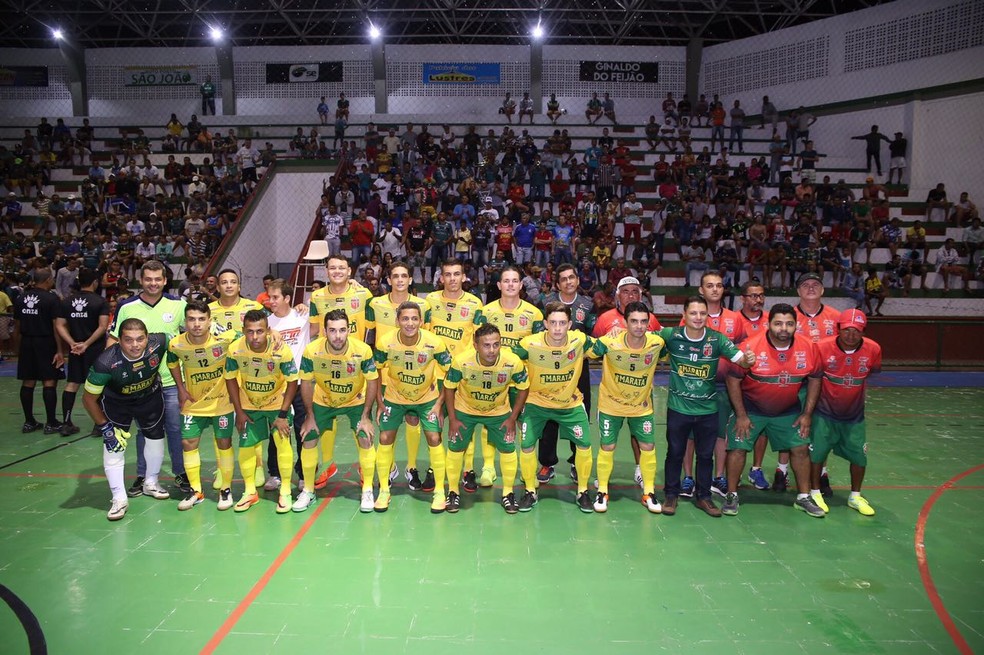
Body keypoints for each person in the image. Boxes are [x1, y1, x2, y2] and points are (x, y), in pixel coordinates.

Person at [723, 303, 825, 518]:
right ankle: (731, 494)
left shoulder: (808, 347)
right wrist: (741, 415)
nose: (784, 328)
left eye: (789, 324)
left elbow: (815, 379)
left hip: (788, 410)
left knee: (800, 448)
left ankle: (803, 497)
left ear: (796, 326)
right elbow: (733, 380)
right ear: (768, 324)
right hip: (751, 408)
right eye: (778, 323)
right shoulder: (750, 346)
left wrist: (807, 414)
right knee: (738, 449)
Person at [658, 297, 753, 517]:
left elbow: (742, 361)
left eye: (702, 313)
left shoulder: (717, 339)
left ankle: (704, 497)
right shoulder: (671, 335)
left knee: (705, 455)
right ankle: (671, 495)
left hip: (707, 411)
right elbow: (642, 333)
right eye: (693, 313)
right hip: (678, 409)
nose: (698, 318)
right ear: (685, 314)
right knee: (674, 453)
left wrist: (749, 359)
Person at [513, 302, 604, 512]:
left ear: (570, 324)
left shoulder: (579, 340)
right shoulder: (530, 344)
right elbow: (508, 359)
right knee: (526, 445)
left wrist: (618, 332)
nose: (557, 328)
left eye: (562, 323)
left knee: (584, 444)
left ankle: (582, 491)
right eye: (552, 323)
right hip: (537, 403)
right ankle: (530, 490)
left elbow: (603, 347)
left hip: (569, 404)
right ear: (545, 323)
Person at [108, 260, 189, 496]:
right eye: (148, 279)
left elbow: (195, 332)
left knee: (175, 429)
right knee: (145, 430)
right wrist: (113, 375)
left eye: (158, 279)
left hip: (172, 380)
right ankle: (143, 475)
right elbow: (113, 340)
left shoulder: (178, 305)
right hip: (140, 383)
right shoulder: (127, 306)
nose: (153, 284)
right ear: (141, 281)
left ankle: (180, 473)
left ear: (165, 280)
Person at [83, 318, 171, 520]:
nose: (135, 345)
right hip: (117, 404)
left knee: (155, 437)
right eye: (128, 340)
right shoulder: (104, 363)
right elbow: (88, 400)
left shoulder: (160, 342)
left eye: (140, 339)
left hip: (150, 398)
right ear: (118, 341)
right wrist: (104, 427)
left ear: (148, 338)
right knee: (114, 447)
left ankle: (151, 483)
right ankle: (119, 498)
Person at [296, 309, 379, 513]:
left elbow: (372, 381)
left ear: (349, 330)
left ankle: (367, 489)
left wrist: (366, 416)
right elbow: (305, 383)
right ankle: (307, 490)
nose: (338, 336)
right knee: (309, 437)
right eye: (332, 330)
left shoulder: (363, 350)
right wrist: (309, 416)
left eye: (342, 330)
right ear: (324, 331)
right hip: (323, 399)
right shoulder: (312, 351)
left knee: (365, 436)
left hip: (355, 400)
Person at [372, 302, 452, 513]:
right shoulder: (384, 343)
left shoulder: (434, 342)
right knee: (384, 437)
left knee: (434, 438)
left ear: (421, 322)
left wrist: (439, 403)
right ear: (397, 321)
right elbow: (374, 372)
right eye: (405, 319)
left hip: (427, 399)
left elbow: (451, 373)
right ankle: (384, 491)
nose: (410, 323)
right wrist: (380, 402)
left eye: (414, 318)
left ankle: (439, 493)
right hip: (394, 397)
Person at [587, 302, 666, 513]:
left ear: (648, 323)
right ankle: (602, 490)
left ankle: (649, 492)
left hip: (641, 407)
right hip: (610, 406)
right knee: (607, 447)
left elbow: (674, 351)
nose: (639, 326)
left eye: (643, 321)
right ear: (625, 322)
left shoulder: (657, 343)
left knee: (648, 447)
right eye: (634, 321)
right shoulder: (610, 341)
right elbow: (585, 351)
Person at [443, 324, 529, 513]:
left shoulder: (512, 362)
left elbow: (523, 388)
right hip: (465, 409)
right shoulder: (461, 361)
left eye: (496, 345)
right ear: (475, 345)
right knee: (456, 447)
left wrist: (512, 418)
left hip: (498, 411)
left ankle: (508, 493)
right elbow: (449, 387)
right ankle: (453, 491)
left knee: (507, 449)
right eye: (486, 345)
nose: (492, 350)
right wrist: (453, 419)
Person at [678, 272, 747, 498]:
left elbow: (740, 352)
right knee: (689, 435)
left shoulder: (735, 319)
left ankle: (718, 477)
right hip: (694, 384)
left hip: (722, 386)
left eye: (718, 285)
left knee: (720, 434)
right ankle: (688, 477)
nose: (715, 289)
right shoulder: (691, 316)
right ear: (701, 290)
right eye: (710, 285)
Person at [224, 310, 298, 513]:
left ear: (268, 330)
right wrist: (238, 411)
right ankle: (250, 492)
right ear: (243, 331)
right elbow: (230, 378)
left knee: (283, 444)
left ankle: (285, 491)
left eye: (259, 331)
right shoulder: (235, 349)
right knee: (246, 446)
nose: (255, 337)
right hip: (249, 405)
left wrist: (283, 415)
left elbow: (293, 382)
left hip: (276, 404)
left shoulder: (281, 350)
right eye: (250, 332)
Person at [365, 262, 432, 489]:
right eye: (395, 276)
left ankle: (411, 467)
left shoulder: (424, 305)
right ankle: (390, 467)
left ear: (411, 280)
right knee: (387, 425)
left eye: (404, 276)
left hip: (415, 375)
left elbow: (428, 339)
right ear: (389, 280)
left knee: (413, 419)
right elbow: (367, 334)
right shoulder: (375, 304)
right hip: (386, 375)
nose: (400, 280)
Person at [810, 309, 882, 516]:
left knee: (860, 457)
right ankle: (815, 493)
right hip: (824, 413)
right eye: (847, 330)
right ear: (838, 329)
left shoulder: (873, 349)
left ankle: (855, 495)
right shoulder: (822, 347)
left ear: (863, 331)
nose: (851, 335)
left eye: (857, 331)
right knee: (817, 454)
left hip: (854, 415)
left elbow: (873, 372)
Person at [166, 301, 237, 511]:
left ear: (209, 321)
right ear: (185, 321)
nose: (196, 324)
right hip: (193, 403)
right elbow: (172, 363)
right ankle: (196, 491)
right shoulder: (176, 344)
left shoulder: (225, 337)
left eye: (201, 319)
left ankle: (225, 489)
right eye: (191, 319)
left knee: (223, 442)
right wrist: (180, 387)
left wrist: (275, 335)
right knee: (188, 442)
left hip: (221, 401)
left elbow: (248, 339)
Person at [426, 259, 486, 491]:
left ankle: (468, 469)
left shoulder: (474, 303)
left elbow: (478, 338)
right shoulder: (430, 300)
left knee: (463, 422)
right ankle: (436, 468)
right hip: (435, 372)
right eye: (447, 274)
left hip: (462, 373)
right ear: (441, 278)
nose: (452, 278)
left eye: (456, 274)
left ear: (463, 277)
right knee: (435, 423)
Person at [481, 265, 544, 485]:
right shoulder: (487, 311)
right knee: (490, 421)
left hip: (520, 378)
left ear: (520, 285)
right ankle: (488, 468)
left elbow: (538, 348)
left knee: (524, 423)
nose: (510, 284)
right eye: (505, 281)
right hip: (492, 376)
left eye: (514, 281)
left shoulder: (534, 313)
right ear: (499, 285)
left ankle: (529, 471)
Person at [537, 264, 596, 483]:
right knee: (548, 415)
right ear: (558, 283)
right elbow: (537, 332)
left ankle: (575, 461)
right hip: (549, 369)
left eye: (572, 277)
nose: (568, 282)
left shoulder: (588, 305)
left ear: (578, 280)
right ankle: (546, 463)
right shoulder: (546, 303)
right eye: (564, 279)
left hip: (579, 369)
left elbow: (593, 334)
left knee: (579, 413)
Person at [265, 280, 312, 493]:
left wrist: (304, 306)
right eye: (269, 297)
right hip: (278, 386)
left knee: (304, 428)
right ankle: (275, 473)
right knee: (277, 429)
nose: (271, 301)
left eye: (275, 297)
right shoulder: (266, 323)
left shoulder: (302, 317)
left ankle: (303, 473)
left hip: (301, 383)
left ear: (287, 298)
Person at [54, 268, 109, 436]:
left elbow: (59, 325)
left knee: (72, 384)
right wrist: (86, 344)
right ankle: (98, 424)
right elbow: (102, 326)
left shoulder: (66, 301)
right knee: (98, 384)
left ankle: (66, 423)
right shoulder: (100, 302)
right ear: (95, 282)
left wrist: (72, 343)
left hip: (75, 349)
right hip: (95, 349)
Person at [13, 268, 65, 434]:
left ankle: (29, 422)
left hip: (27, 341)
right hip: (46, 342)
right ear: (48, 279)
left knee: (28, 381)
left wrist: (17, 346)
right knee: (49, 381)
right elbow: (56, 327)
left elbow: (17, 326)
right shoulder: (51, 298)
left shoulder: (21, 298)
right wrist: (59, 350)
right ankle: (51, 423)